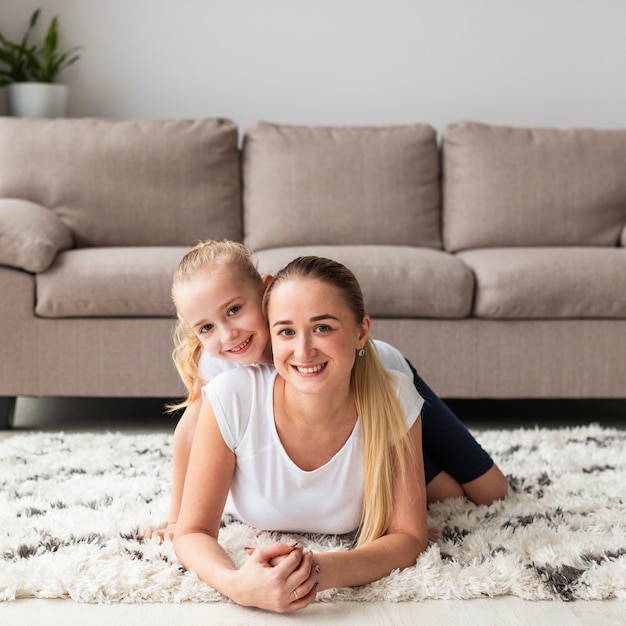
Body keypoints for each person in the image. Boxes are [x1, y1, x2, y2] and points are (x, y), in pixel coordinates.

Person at [146, 240, 507, 541]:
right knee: (449, 492)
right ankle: (415, 470)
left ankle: (415, 460)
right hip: (355, 432)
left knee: (490, 492)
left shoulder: (351, 361)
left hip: (386, 399)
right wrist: (177, 518)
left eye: (235, 310)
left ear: (266, 289)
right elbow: (189, 433)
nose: (228, 335)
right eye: (206, 327)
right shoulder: (221, 363)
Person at [173, 255, 428, 611]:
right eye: (286, 332)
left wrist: (318, 571)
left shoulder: (395, 395)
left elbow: (409, 536)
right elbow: (191, 532)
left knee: (480, 489)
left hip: (389, 371)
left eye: (322, 328)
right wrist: (236, 585)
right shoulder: (230, 394)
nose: (304, 351)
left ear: (361, 331)